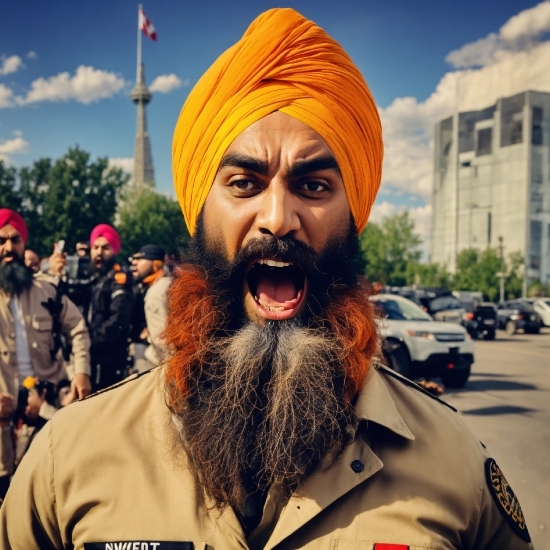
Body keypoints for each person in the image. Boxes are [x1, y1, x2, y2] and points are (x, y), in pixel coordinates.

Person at [0, 10, 532, 550]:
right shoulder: (70, 456)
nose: (277, 216)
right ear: (199, 213)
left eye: (315, 186)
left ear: (354, 217)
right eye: (244, 183)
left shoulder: (453, 463)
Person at [0, 208, 91, 498]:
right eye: (1, 240)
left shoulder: (47, 291)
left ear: (24, 243)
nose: (8, 248)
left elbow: (76, 327)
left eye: (15, 240)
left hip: (49, 406)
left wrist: (81, 372)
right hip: (4, 413)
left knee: (51, 487)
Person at [85, 224, 134, 390]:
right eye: (95, 247)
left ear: (114, 251)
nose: (99, 252)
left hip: (109, 364)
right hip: (90, 360)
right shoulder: (93, 279)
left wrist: (88, 341)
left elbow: (117, 321)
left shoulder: (119, 280)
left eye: (105, 247)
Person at [130, 244, 171, 368]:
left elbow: (162, 341)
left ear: (155, 264)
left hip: (162, 365)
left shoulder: (155, 293)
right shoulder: (169, 282)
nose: (134, 263)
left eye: (140, 259)